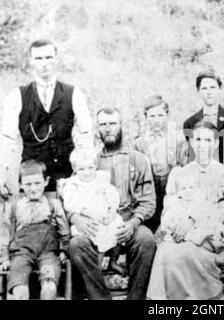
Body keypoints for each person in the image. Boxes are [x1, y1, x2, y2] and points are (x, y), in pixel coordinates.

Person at [67, 107, 156, 300]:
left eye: (113, 123)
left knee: (146, 240)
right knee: (77, 244)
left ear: (121, 125)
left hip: (128, 221)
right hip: (95, 223)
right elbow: (71, 193)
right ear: (98, 128)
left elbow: (149, 201)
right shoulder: (89, 161)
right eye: (103, 124)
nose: (108, 129)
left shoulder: (138, 160)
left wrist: (133, 223)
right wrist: (76, 218)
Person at [146, 121, 224, 300]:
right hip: (179, 230)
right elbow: (170, 204)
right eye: (198, 140)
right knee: (165, 251)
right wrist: (180, 223)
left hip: (211, 234)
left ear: (216, 143)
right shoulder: (180, 174)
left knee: (184, 252)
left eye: (207, 140)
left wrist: (193, 220)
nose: (202, 145)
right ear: (192, 143)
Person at [0, 39, 94, 195]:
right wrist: (3, 174)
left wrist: (85, 172)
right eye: (38, 58)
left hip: (67, 177)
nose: (44, 63)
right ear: (31, 61)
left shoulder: (74, 94)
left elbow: (85, 137)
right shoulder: (16, 96)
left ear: (56, 59)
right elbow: (7, 140)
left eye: (49, 57)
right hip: (32, 180)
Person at [0, 160, 70, 300]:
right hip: (21, 254)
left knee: (49, 287)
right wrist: (5, 257)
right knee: (19, 290)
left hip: (48, 254)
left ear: (46, 181)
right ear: (20, 185)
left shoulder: (53, 205)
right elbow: (5, 234)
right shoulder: (14, 207)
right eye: (28, 184)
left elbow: (64, 231)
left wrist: (63, 250)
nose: (33, 188)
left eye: (37, 183)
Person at [60, 149, 126, 276]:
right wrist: (85, 211)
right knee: (99, 231)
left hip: (104, 214)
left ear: (95, 166)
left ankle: (113, 260)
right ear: (74, 168)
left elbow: (113, 195)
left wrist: (111, 211)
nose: (87, 173)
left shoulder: (101, 178)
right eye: (82, 169)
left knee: (118, 224)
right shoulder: (72, 184)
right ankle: (98, 265)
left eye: (90, 168)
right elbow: (69, 203)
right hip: (86, 218)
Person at [133, 95, 188, 233]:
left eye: (160, 115)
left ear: (167, 115)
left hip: (173, 190)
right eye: (151, 116)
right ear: (146, 117)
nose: (156, 120)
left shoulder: (178, 139)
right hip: (149, 191)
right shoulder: (140, 143)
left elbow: (185, 167)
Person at [183, 70, 224, 167]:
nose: (209, 92)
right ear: (198, 91)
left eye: (213, 87)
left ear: (220, 88)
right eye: (204, 88)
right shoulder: (190, 123)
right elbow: (192, 154)